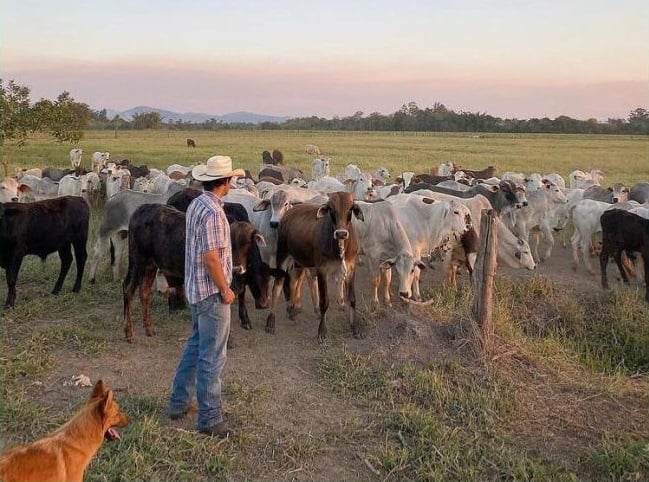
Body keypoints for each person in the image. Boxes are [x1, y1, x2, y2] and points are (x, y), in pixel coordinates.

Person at [167, 155, 244, 438]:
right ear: (226, 181)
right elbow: (211, 257)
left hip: (195, 289)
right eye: (232, 179)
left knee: (196, 345)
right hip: (212, 293)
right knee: (213, 355)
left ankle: (178, 403)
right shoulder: (213, 212)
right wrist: (225, 288)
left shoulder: (197, 204)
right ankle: (210, 419)